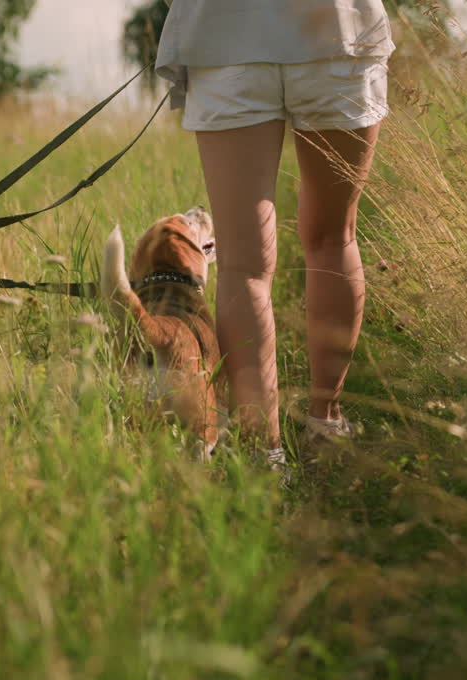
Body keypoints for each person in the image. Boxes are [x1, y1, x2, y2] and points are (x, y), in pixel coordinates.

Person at [155, 0, 395, 467]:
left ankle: (263, 456)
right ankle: (327, 424)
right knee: (333, 238)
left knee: (244, 264)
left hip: (224, 38)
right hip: (337, 33)